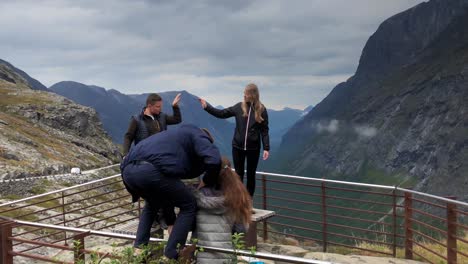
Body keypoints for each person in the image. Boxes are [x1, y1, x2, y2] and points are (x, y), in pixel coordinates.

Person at [120, 124, 221, 260]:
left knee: (152, 204)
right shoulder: (199, 135)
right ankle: (172, 254)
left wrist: (171, 221)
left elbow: (166, 195)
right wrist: (207, 180)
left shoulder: (175, 138)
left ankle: (139, 249)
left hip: (128, 172)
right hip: (149, 171)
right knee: (189, 204)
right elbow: (215, 160)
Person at [199, 83, 270, 196]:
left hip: (253, 149)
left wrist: (266, 147)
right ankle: (239, 201)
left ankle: (248, 202)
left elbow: (264, 130)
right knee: (238, 175)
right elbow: (221, 113)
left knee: (251, 175)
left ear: (252, 95)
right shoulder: (239, 107)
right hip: (237, 147)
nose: (244, 95)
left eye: (246, 93)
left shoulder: (261, 110)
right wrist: (207, 107)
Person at [193, 157, 252, 264]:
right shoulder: (237, 198)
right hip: (225, 256)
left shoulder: (196, 197)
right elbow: (241, 229)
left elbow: (188, 225)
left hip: (200, 256)